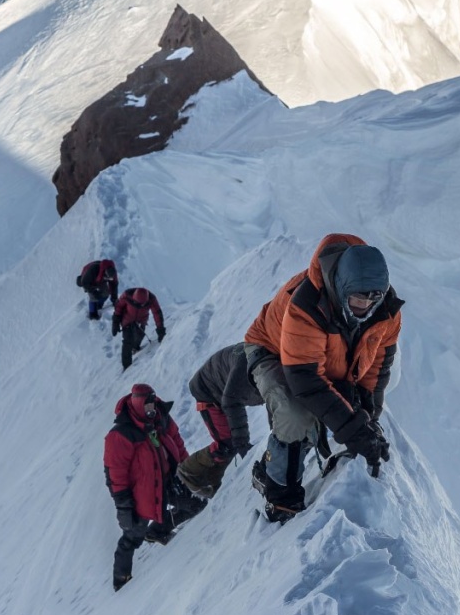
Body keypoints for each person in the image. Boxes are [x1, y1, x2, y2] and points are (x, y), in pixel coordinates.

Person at [244, 233, 403, 522]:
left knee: (342, 409)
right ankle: (279, 493)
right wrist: (353, 431)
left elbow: (377, 367)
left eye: (372, 301)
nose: (365, 310)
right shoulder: (307, 303)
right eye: (356, 302)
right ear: (341, 289)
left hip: (319, 356)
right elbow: (305, 380)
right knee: (296, 413)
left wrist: (368, 418)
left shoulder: (385, 310)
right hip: (272, 350)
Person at [103, 383, 204, 591]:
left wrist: (187, 471)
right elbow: (115, 473)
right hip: (143, 495)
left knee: (195, 504)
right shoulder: (121, 434)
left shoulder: (161, 417)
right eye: (147, 407)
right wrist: (123, 505)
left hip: (170, 480)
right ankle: (121, 581)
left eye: (153, 406)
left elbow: (177, 442)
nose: (152, 411)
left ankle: (159, 531)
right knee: (131, 537)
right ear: (138, 405)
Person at [177, 342, 264, 498]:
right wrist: (243, 444)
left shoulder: (264, 362)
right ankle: (189, 471)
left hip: (223, 384)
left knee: (231, 443)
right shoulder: (247, 367)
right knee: (228, 443)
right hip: (208, 390)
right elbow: (232, 402)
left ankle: (214, 483)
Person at [111, 287, 166, 371]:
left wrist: (160, 330)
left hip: (141, 321)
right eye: (137, 303)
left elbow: (157, 313)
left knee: (138, 337)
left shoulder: (152, 299)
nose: (140, 306)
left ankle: (135, 347)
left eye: (142, 305)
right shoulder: (126, 295)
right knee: (127, 342)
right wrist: (115, 322)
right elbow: (118, 307)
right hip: (127, 320)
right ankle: (127, 366)